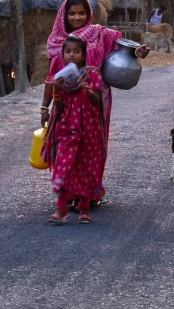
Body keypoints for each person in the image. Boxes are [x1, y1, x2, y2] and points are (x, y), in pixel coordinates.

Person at [41, 0, 148, 205]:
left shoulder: (100, 34)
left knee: (93, 147)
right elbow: (51, 77)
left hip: (96, 99)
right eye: (72, 13)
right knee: (68, 146)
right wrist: (44, 107)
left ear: (89, 14)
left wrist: (138, 51)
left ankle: (90, 194)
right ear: (64, 15)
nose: (77, 17)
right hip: (67, 104)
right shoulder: (57, 41)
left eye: (81, 13)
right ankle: (70, 194)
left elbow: (123, 47)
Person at [42, 35, 105, 224]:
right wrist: (56, 92)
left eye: (76, 52)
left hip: (88, 128)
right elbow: (60, 109)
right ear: (62, 55)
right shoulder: (60, 78)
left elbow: (99, 103)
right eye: (68, 52)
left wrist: (89, 92)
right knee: (64, 165)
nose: (72, 55)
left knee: (86, 167)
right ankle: (61, 210)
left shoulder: (93, 75)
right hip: (67, 127)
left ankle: (84, 209)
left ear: (83, 55)